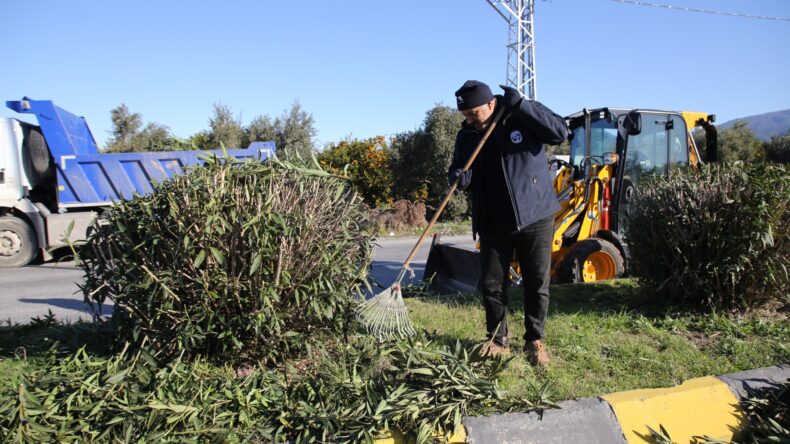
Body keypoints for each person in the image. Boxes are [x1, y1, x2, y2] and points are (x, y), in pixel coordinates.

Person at [448, 80, 568, 366]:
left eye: (474, 113)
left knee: (536, 282)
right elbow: (458, 167)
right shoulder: (466, 136)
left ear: (491, 104)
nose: (469, 119)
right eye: (465, 114)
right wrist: (458, 178)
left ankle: (535, 340)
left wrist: (523, 106)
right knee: (492, 284)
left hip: (535, 215)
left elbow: (559, 133)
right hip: (492, 219)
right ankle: (497, 340)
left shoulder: (520, 117)